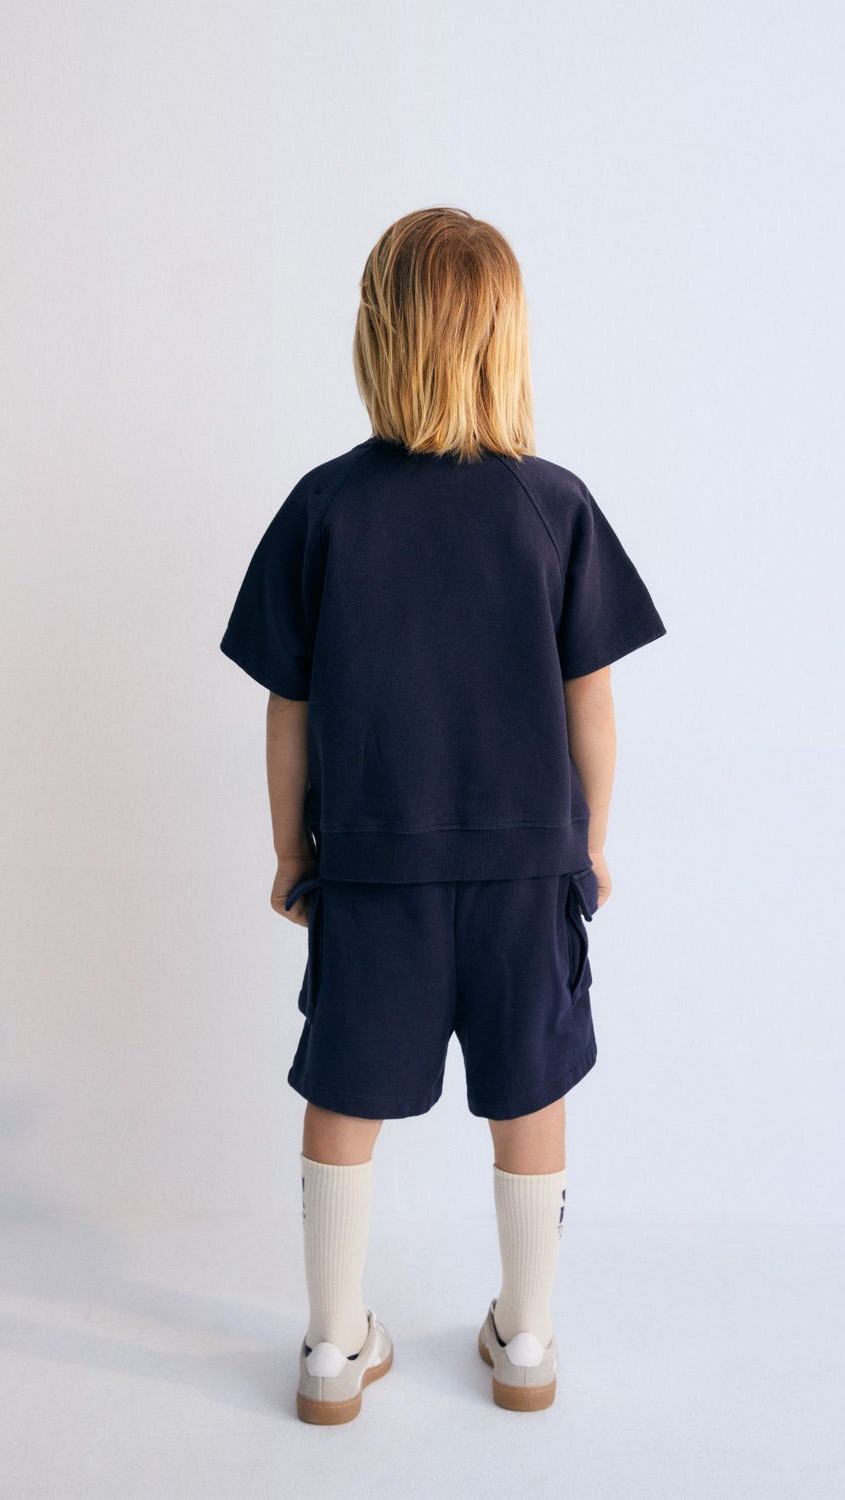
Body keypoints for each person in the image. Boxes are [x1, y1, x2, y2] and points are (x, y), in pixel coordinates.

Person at [219, 206, 667, 1423]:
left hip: (372, 871)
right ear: (505, 340)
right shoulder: (553, 505)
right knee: (530, 1092)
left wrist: (290, 853)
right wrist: (589, 843)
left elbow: (287, 711)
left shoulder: (323, 508)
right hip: (526, 872)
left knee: (345, 1091)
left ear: (377, 335)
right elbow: (590, 705)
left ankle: (330, 1345)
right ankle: (527, 1337)